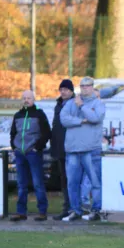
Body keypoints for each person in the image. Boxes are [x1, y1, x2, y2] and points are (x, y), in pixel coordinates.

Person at [60, 77, 106, 222]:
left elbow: (95, 118)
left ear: (92, 87)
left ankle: (96, 211)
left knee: (95, 182)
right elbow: (63, 119)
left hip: (91, 149)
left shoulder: (98, 104)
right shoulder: (69, 103)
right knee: (72, 183)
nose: (85, 88)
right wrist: (81, 121)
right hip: (73, 149)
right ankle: (76, 210)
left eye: (87, 86)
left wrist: (82, 107)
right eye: (82, 86)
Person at [9, 90, 52, 222]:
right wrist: (14, 147)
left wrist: (36, 147)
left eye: (29, 98)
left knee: (38, 183)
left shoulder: (39, 114)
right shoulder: (17, 115)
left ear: (34, 99)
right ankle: (21, 212)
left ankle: (42, 212)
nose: (26, 100)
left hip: (33, 153)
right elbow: (13, 133)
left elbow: (47, 133)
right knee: (21, 184)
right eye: (24, 98)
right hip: (20, 154)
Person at [51, 79, 74, 221]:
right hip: (60, 149)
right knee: (64, 180)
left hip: (72, 148)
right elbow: (56, 127)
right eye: (61, 89)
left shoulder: (75, 104)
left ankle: (74, 208)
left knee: (73, 180)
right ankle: (67, 208)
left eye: (66, 89)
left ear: (71, 91)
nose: (63, 92)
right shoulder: (58, 105)